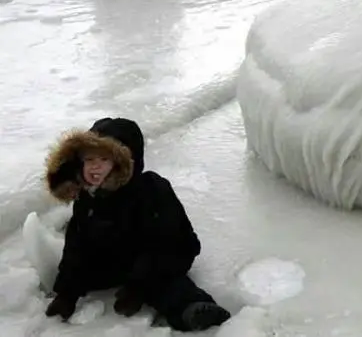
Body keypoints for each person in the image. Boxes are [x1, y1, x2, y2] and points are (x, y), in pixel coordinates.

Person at [44, 118, 230, 332]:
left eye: (104, 158)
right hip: (119, 255)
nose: (95, 166)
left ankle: (192, 308)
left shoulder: (151, 190)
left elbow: (164, 241)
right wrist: (67, 293)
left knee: (164, 283)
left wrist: (137, 287)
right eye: (89, 159)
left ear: (122, 161)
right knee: (84, 267)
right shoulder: (88, 197)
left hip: (165, 252)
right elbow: (77, 245)